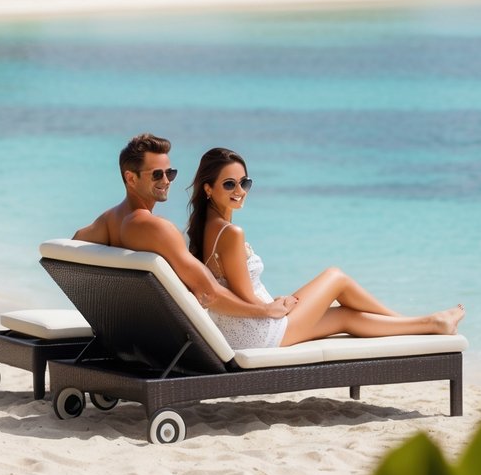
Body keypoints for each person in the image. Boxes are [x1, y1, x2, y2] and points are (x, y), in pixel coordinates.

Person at [187, 146, 465, 349]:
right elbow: (246, 298)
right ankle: (420, 321)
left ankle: (430, 324)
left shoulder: (207, 227)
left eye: (244, 182)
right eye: (229, 184)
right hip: (256, 331)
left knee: (346, 317)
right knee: (336, 277)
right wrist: (272, 307)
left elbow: (232, 291)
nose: (240, 190)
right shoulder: (230, 232)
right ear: (208, 188)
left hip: (238, 330)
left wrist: (272, 304)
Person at [72, 133, 297, 325]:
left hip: (130, 330)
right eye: (157, 175)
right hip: (171, 341)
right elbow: (208, 294)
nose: (167, 180)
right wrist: (265, 311)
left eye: (170, 173)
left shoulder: (110, 220)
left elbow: (73, 247)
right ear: (131, 178)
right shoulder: (157, 228)